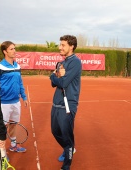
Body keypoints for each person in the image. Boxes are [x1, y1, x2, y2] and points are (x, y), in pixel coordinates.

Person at [50, 35, 82, 170]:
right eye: (60, 45)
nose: (60, 47)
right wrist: (56, 76)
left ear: (71, 46)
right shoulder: (61, 63)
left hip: (68, 104)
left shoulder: (75, 62)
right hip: (56, 103)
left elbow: (62, 82)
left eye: (63, 45)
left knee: (66, 136)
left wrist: (53, 75)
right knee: (55, 131)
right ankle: (69, 148)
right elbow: (54, 83)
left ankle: (66, 166)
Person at [0, 41, 28, 152]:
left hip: (16, 101)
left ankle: (13, 145)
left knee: (13, 124)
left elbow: (20, 82)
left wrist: (24, 96)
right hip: (4, 103)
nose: (14, 51)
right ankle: (1, 152)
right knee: (2, 128)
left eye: (14, 48)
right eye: (11, 49)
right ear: (5, 51)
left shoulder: (17, 65)